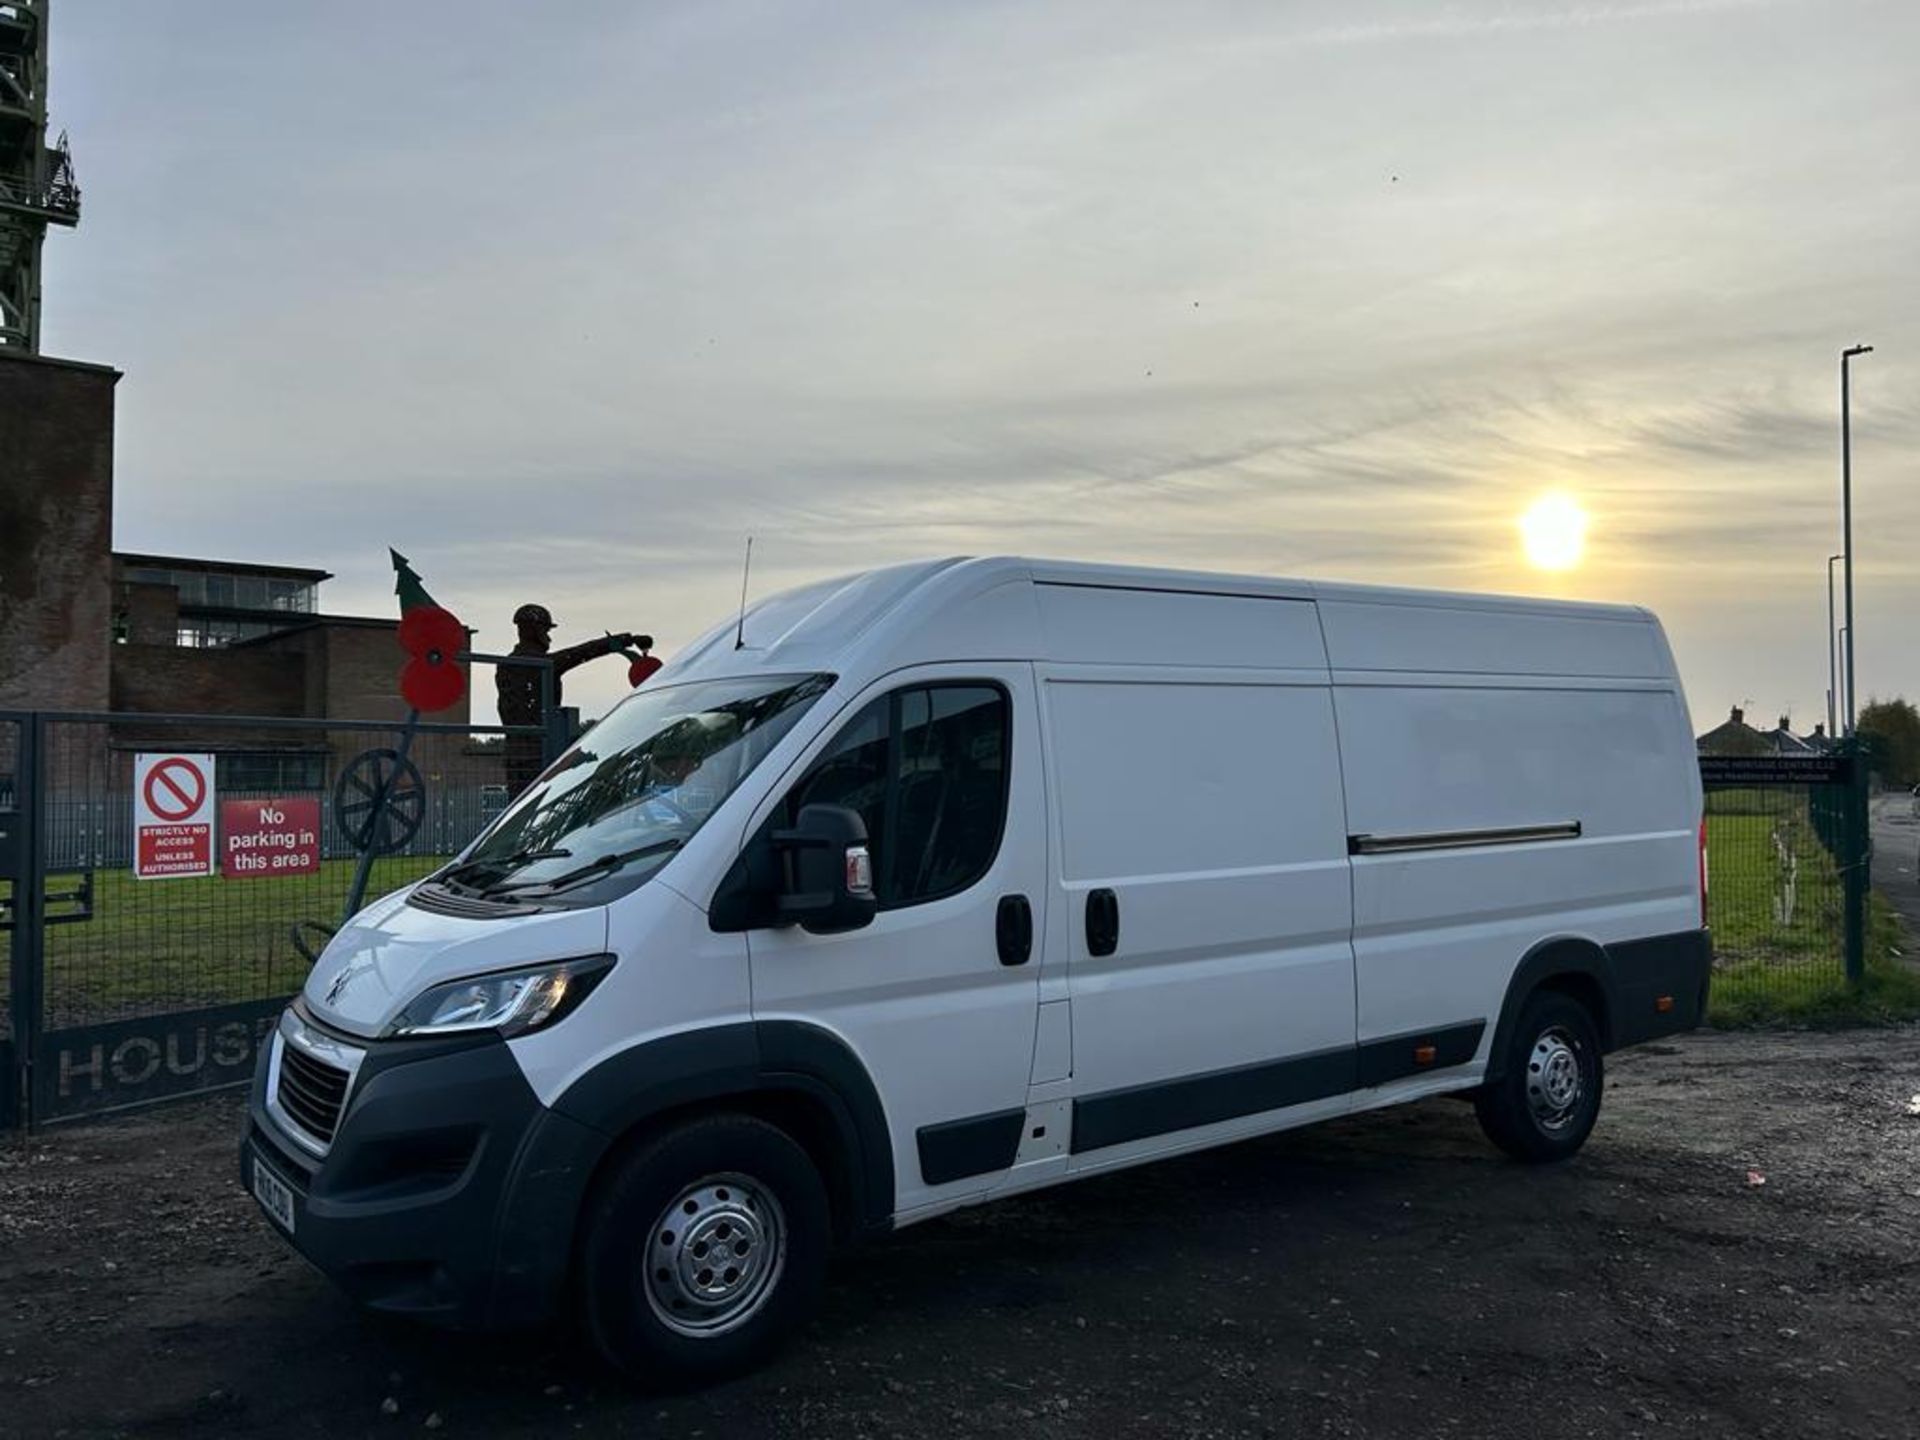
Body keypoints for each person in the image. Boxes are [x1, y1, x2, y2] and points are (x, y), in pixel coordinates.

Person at [497, 603, 649, 798]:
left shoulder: (505, 666)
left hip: (515, 753)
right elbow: (582, 652)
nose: (548, 637)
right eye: (545, 630)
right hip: (542, 751)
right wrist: (625, 641)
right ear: (535, 631)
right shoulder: (543, 664)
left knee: (519, 805)